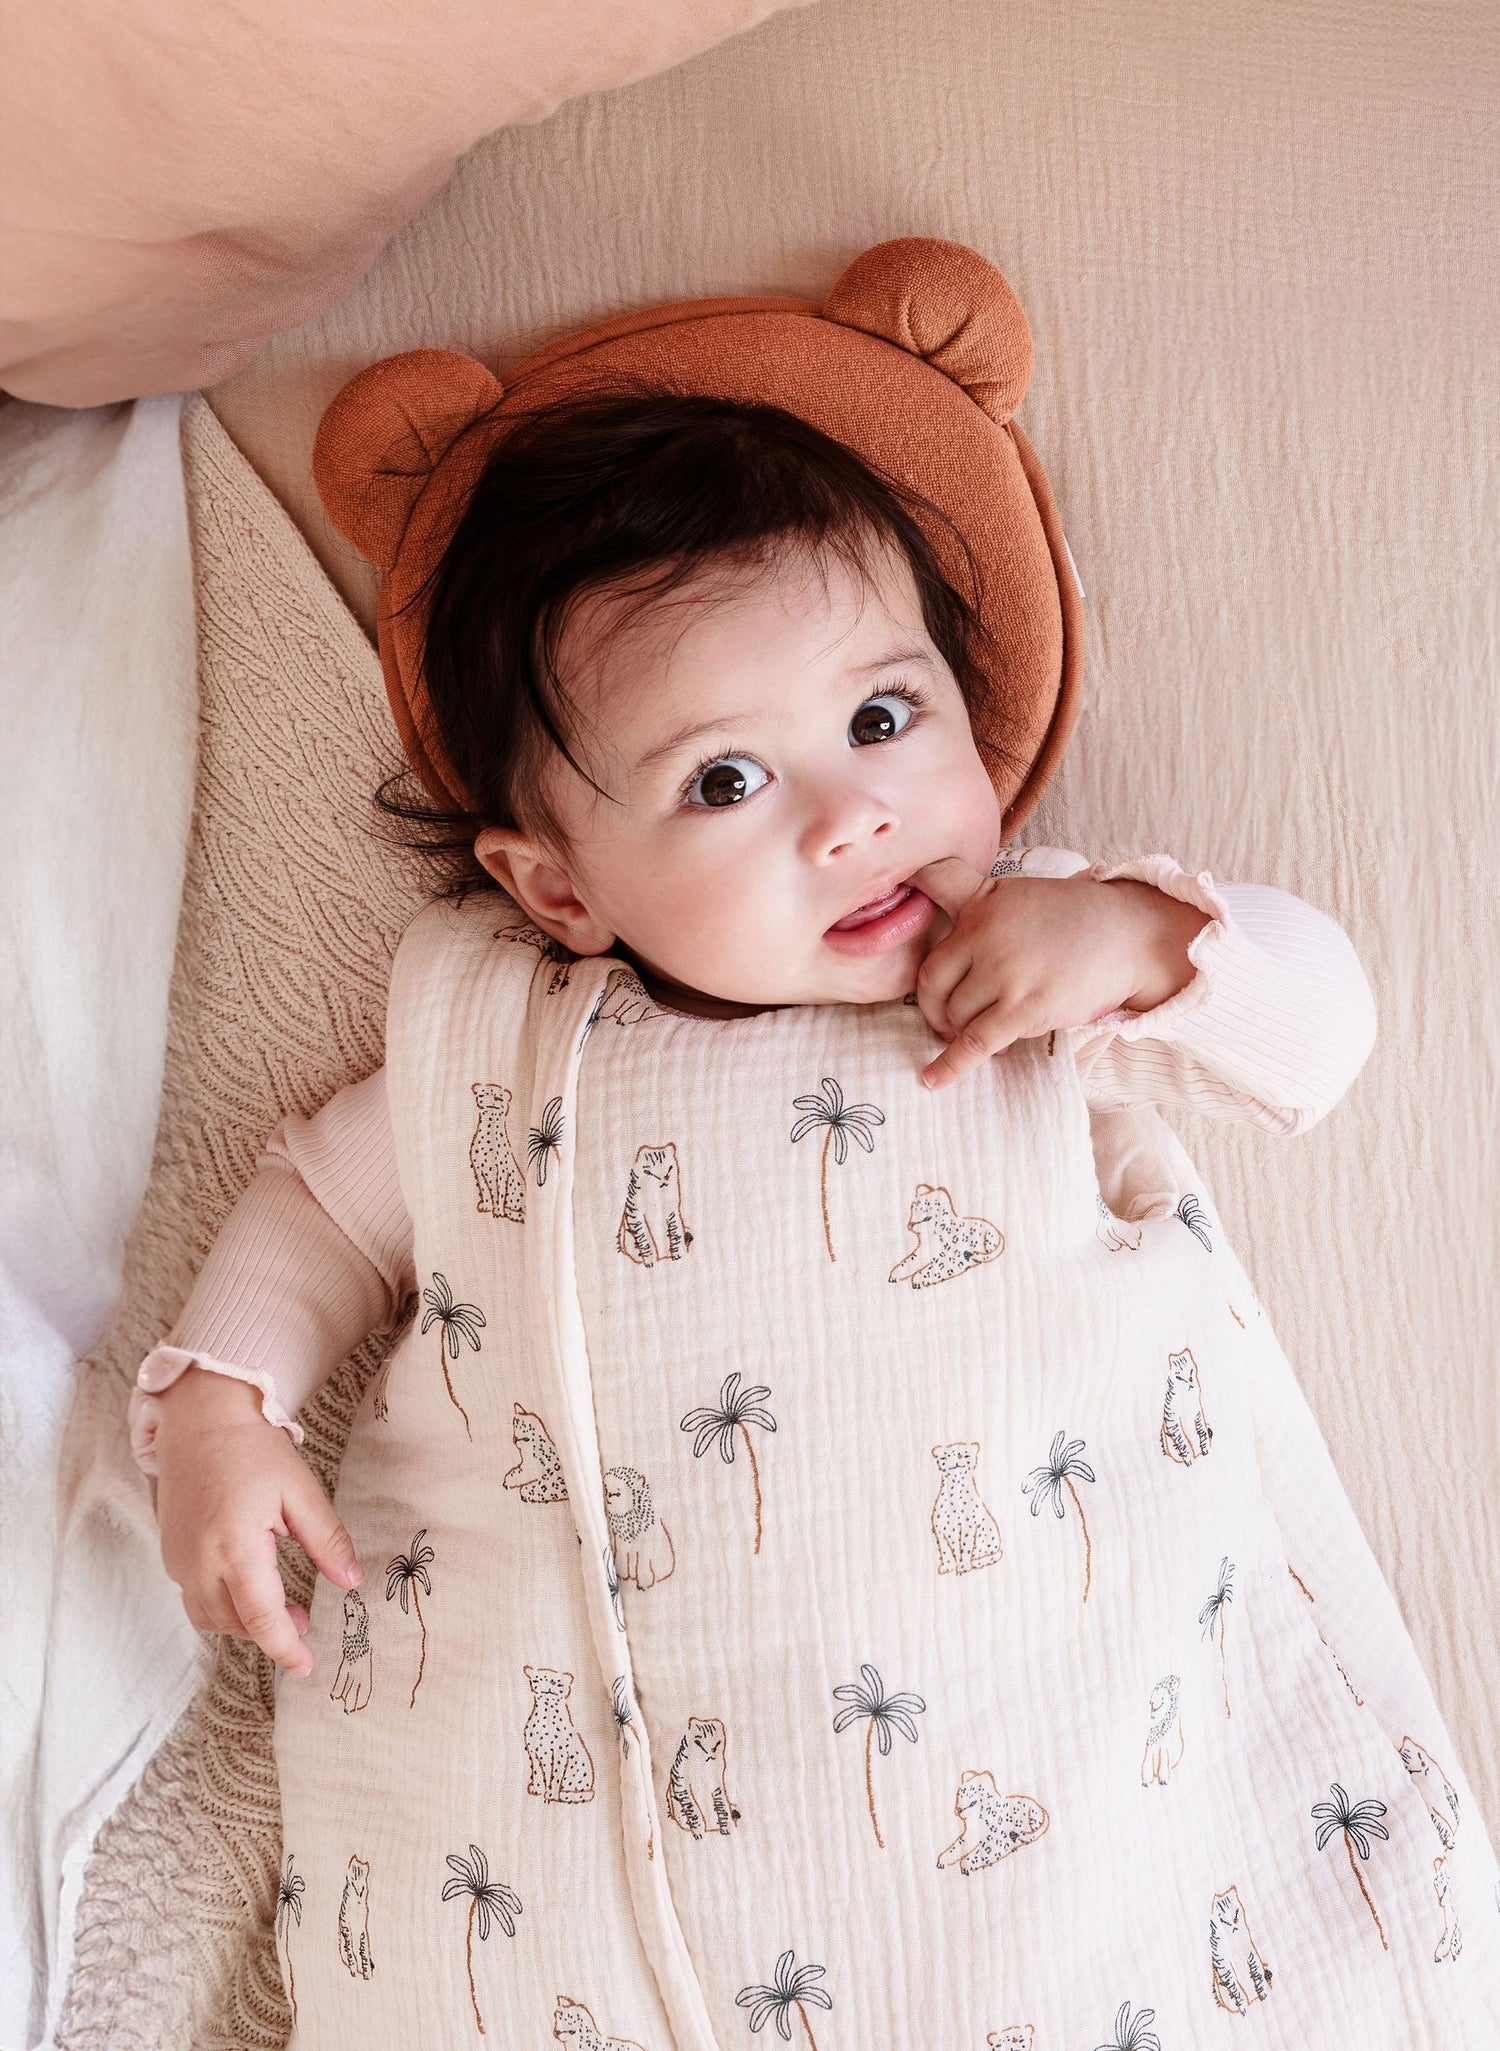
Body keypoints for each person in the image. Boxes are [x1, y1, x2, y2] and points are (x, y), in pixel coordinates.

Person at [128, 261, 1499, 2048]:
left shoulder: (1032, 965)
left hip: (1043, 1798)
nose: (852, 816)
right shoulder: (495, 1039)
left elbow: (1319, 1035)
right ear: (560, 888)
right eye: (725, 781)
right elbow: (322, 1205)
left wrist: (1153, 943)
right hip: (562, 1838)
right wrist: (221, 1403)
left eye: (881, 719)